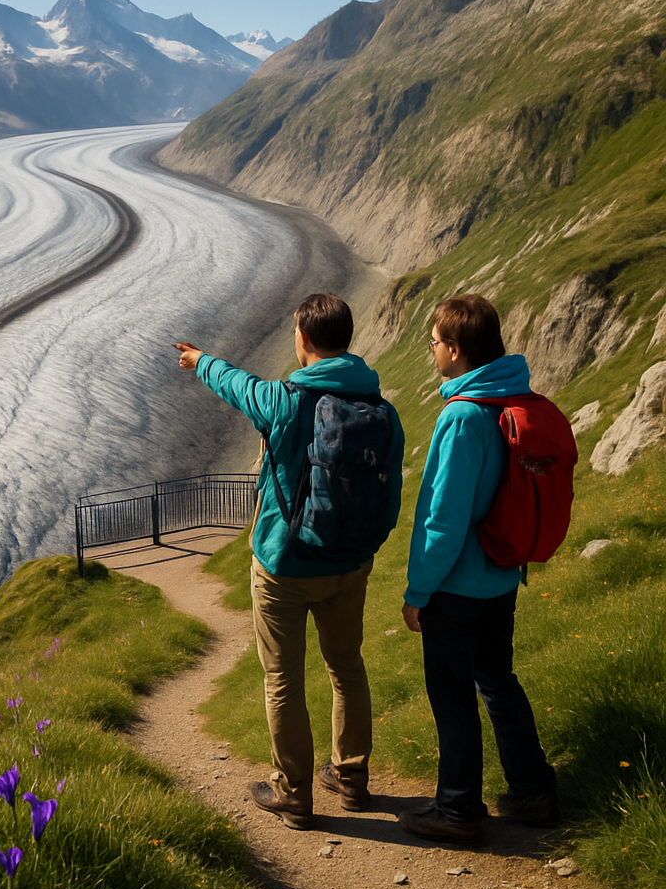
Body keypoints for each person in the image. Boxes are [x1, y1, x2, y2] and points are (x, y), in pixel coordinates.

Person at [176, 293, 404, 830]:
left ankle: (293, 792)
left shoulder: (285, 401)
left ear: (302, 338)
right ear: (346, 339)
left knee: (283, 678)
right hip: (349, 564)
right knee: (347, 668)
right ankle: (350, 778)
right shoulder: (381, 408)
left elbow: (238, 385)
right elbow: (389, 490)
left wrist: (199, 360)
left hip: (283, 566)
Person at [399, 294, 558, 846]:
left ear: (456, 350)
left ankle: (458, 809)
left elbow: (443, 519)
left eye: (436, 342)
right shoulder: (515, 400)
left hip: (457, 587)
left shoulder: (463, 416)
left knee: (452, 694)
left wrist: (419, 592)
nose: (432, 350)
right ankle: (533, 789)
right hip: (502, 576)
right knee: (497, 679)